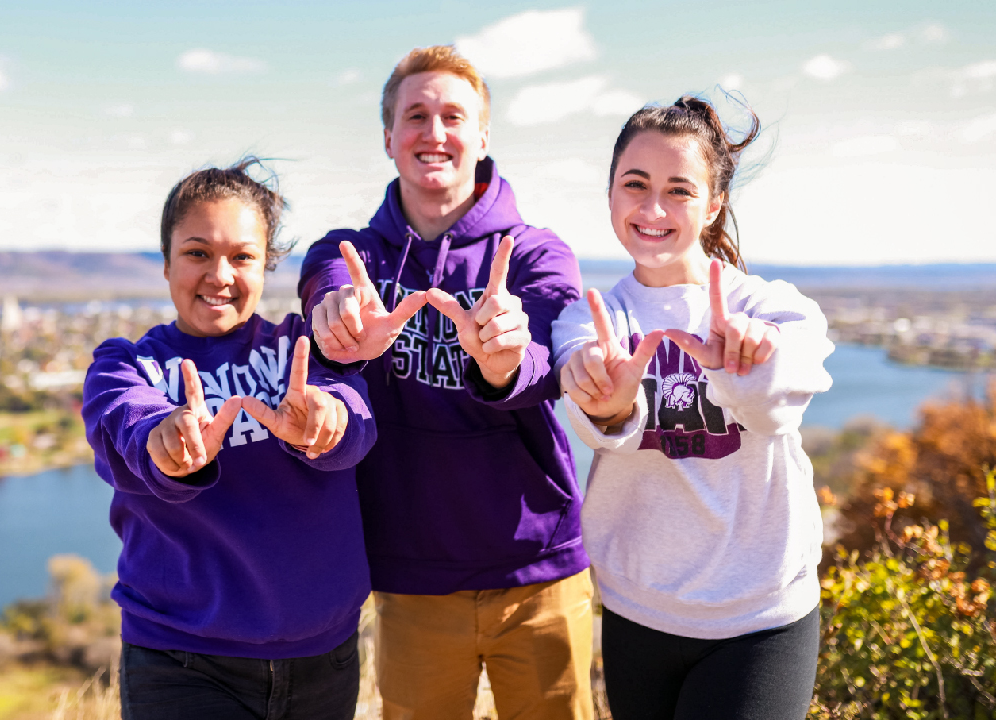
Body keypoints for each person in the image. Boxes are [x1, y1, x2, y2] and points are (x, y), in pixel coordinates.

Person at [299, 46, 593, 719]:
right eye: (416, 115)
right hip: (413, 579)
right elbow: (329, 286)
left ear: (483, 136)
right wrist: (341, 318)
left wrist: (504, 360)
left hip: (538, 572)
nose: (435, 133)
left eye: (453, 115)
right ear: (388, 138)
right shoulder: (353, 254)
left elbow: (548, 356)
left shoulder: (535, 253)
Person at [551, 96, 833, 720]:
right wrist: (609, 403)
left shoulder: (772, 309)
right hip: (637, 613)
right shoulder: (591, 318)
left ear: (713, 205)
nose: (653, 209)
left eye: (679, 189)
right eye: (635, 184)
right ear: (611, 195)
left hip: (761, 618)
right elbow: (587, 396)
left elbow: (774, 407)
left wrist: (751, 359)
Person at [82, 159, 377, 720]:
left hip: (324, 658)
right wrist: (165, 441)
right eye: (197, 253)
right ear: (166, 263)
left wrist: (325, 422)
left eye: (242, 256)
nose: (220, 275)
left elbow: (356, 421)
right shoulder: (127, 365)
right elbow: (124, 422)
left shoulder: (303, 350)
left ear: (266, 267)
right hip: (181, 663)